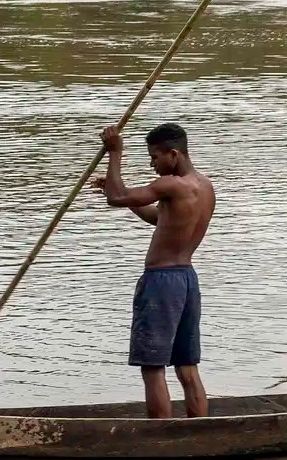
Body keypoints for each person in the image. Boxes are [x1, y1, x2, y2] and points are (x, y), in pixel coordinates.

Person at [91, 122, 214, 418]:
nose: (152, 164)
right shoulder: (205, 186)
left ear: (173, 154)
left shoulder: (171, 185)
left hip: (162, 282)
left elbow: (117, 198)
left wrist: (115, 152)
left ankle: (162, 436)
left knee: (153, 365)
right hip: (186, 280)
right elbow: (158, 218)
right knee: (186, 365)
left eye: (155, 157)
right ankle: (200, 432)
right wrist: (116, 188)